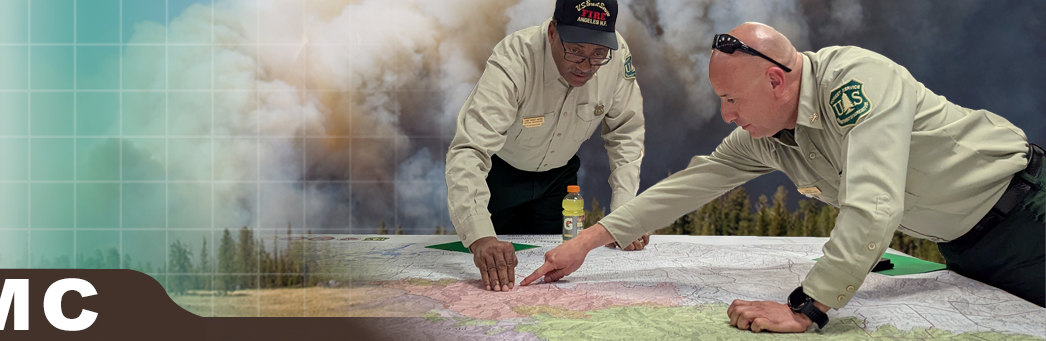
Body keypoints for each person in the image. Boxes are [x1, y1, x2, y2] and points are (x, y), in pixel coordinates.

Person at [522, 22, 1044, 332]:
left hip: (1030, 212)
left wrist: (807, 309)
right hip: (968, 249)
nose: (726, 115)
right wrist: (586, 242)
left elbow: (874, 204)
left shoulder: (857, 81)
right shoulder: (763, 135)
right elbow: (692, 183)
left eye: (731, 99)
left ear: (776, 79)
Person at [445, 0, 652, 292]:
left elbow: (625, 132)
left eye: (597, 54)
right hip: (500, 178)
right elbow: (469, 149)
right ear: (553, 32)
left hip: (559, 181)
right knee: (495, 273)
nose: (585, 66)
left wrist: (624, 211)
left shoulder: (616, 57)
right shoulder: (515, 57)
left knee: (549, 282)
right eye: (576, 51)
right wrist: (481, 238)